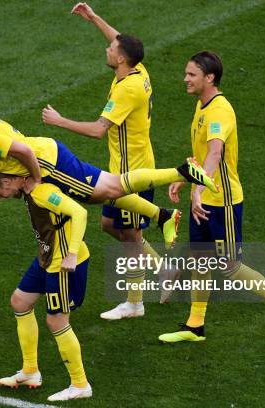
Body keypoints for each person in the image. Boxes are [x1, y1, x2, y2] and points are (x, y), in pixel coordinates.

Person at [0, 92, 218, 249]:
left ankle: (182, 172)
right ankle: (165, 215)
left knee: (112, 188)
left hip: (46, 162)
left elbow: (24, 151)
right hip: (47, 155)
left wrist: (37, 179)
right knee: (103, 194)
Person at [158, 51, 265, 344]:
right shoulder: (202, 105)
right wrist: (184, 180)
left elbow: (215, 153)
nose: (185, 78)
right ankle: (195, 325)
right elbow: (201, 154)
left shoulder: (219, 110)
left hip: (223, 204)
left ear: (209, 78)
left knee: (229, 266)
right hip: (204, 201)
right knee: (200, 262)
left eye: (191, 74)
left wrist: (198, 188)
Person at [41, 2, 164, 319]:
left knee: (132, 236)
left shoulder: (127, 90)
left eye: (112, 48)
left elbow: (98, 130)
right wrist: (93, 17)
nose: (108, 48)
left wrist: (59, 121)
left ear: (121, 58)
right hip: (124, 168)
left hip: (132, 174)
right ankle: (166, 270)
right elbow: (120, 37)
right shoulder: (137, 69)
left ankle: (135, 302)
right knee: (111, 225)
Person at [0, 165, 92, 401]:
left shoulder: (42, 192)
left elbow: (79, 213)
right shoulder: (30, 190)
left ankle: (80, 384)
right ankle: (30, 371)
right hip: (47, 256)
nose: (1, 199)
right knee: (20, 302)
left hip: (63, 262)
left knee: (56, 320)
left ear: (8, 182)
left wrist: (71, 254)